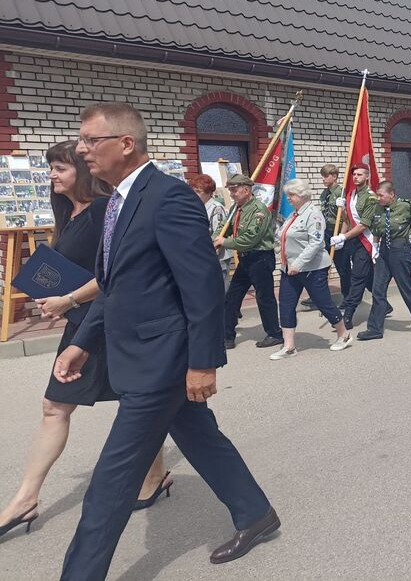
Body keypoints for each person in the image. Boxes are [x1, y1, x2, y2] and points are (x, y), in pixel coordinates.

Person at [54, 103, 277, 578]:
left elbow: (202, 286)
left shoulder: (169, 198)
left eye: (91, 140)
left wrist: (204, 362)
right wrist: (84, 340)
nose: (81, 149)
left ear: (126, 144)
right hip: (135, 353)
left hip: (162, 360)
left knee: (112, 481)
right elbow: (116, 283)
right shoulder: (115, 200)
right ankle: (255, 514)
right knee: (200, 437)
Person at [0, 141, 170, 542]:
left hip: (110, 324)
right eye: (50, 169)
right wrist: (56, 299)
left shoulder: (101, 211)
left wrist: (70, 298)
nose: (53, 176)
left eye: (60, 168)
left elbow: (115, 273)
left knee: (136, 403)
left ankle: (155, 475)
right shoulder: (69, 213)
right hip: (80, 324)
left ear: (82, 170)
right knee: (56, 406)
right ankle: (25, 499)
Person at [270, 178, 352, 359]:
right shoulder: (294, 215)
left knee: (324, 303)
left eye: (292, 195)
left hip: (311, 268)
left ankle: (343, 334)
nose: (289, 199)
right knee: (286, 305)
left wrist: (298, 264)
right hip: (289, 269)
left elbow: (315, 242)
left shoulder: (313, 214)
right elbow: (283, 237)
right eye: (288, 195)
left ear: (302, 195)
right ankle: (289, 346)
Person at [215, 174, 282, 350]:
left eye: (234, 190)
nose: (231, 194)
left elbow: (250, 238)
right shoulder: (235, 209)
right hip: (245, 259)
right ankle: (227, 336)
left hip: (260, 258)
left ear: (246, 189)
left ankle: (275, 333)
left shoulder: (259, 210)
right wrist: (215, 239)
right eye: (230, 190)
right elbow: (223, 228)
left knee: (264, 297)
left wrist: (224, 242)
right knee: (231, 297)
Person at [357, 181, 411, 340]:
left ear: (391, 194)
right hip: (384, 252)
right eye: (378, 195)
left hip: (400, 250)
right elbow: (376, 228)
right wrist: (375, 246)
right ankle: (375, 328)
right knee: (378, 289)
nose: (379, 198)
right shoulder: (378, 207)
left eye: (381, 195)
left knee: (406, 287)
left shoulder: (405, 206)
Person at [330, 164, 380, 330]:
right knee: (366, 277)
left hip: (366, 242)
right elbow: (347, 221)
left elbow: (363, 225)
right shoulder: (351, 195)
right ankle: (383, 303)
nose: (355, 177)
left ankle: (348, 315)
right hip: (354, 240)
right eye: (354, 174)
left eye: (359, 174)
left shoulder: (371, 197)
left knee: (357, 277)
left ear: (367, 177)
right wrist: (342, 210)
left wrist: (343, 236)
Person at [189, 174, 231, 285]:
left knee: (219, 291)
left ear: (209, 193)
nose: (195, 195)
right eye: (193, 191)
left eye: (198, 191)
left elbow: (219, 234)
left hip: (216, 257)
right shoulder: (197, 207)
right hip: (202, 256)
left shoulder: (216, 208)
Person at [318, 163, 350, 306]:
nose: (323, 179)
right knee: (322, 265)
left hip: (338, 233)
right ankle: (319, 297)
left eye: (326, 176)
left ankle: (348, 297)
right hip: (326, 231)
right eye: (322, 176)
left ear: (335, 176)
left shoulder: (341, 193)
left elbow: (347, 218)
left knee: (343, 268)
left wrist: (341, 236)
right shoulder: (325, 193)